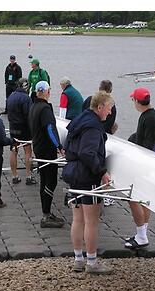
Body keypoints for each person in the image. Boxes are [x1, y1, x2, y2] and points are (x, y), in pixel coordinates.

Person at [62, 90, 114, 275]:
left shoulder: (79, 119)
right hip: (87, 176)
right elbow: (87, 153)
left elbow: (67, 145)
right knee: (91, 221)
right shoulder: (93, 127)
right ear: (100, 108)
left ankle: (78, 260)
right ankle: (92, 262)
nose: (109, 113)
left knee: (77, 219)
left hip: (73, 173)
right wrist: (102, 172)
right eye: (108, 109)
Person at [125, 87, 155, 249]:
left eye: (133, 99)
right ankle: (142, 234)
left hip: (146, 164)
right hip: (152, 163)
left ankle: (141, 236)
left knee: (133, 197)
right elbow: (142, 137)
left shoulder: (148, 118)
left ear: (137, 101)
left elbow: (147, 144)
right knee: (145, 199)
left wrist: (137, 163)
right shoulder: (150, 115)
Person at [28, 81, 65, 228]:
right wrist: (59, 146)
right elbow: (50, 129)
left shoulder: (33, 106)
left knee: (44, 180)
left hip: (37, 146)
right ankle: (46, 215)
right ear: (47, 92)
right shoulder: (45, 109)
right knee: (51, 181)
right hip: (46, 150)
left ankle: (46, 213)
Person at [6, 78, 36, 185]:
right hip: (24, 128)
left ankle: (15, 176)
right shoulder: (26, 98)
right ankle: (28, 176)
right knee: (28, 151)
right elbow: (29, 115)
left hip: (13, 127)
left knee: (14, 150)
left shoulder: (11, 96)